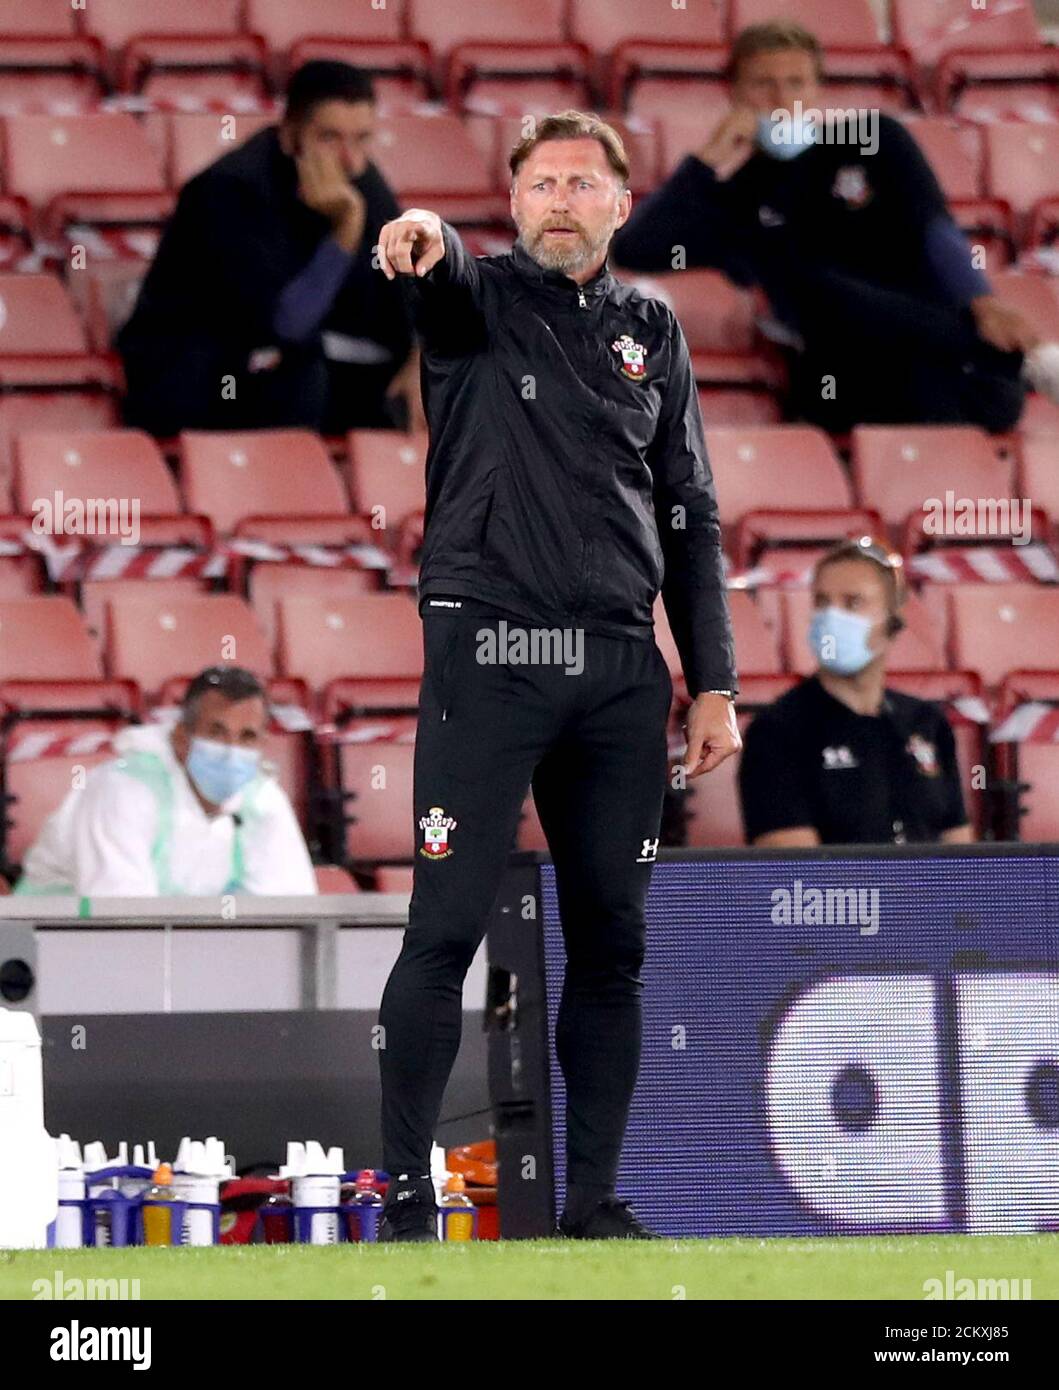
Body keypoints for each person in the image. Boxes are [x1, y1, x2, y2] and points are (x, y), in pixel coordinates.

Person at [372, 111, 741, 1242]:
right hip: (491, 648)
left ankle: (594, 1204)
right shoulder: (476, 301)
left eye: (584, 183)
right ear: (515, 203)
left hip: (622, 668)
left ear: (623, 208)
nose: (561, 201)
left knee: (612, 942)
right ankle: (400, 1199)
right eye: (539, 185)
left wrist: (713, 679)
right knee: (443, 926)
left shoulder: (653, 330)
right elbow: (434, 274)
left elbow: (691, 514)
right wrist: (423, 234)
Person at [612, 21, 1059, 434]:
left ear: (817, 90)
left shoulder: (874, 140)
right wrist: (706, 160)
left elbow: (934, 230)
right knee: (795, 275)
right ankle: (1022, 361)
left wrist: (981, 302)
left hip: (960, 378)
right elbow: (633, 248)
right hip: (849, 386)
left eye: (796, 84)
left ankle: (1007, 360)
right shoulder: (736, 197)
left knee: (806, 275)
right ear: (733, 94)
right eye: (763, 84)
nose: (782, 99)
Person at [117, 61, 418, 436]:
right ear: (291, 132)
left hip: (290, 368)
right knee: (302, 376)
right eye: (330, 138)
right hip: (193, 377)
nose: (350, 159)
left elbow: (410, 288)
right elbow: (287, 324)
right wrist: (345, 232)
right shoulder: (229, 191)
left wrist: (421, 355)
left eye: (361, 139)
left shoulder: (361, 179)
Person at [738, 537, 973, 846]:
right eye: (822, 602)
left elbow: (962, 855)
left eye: (852, 603)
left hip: (932, 895)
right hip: (838, 895)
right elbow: (794, 873)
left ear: (892, 620)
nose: (832, 617)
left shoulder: (927, 722)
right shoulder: (777, 730)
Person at [15, 667, 317, 897]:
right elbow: (121, 924)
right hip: (51, 957)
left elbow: (291, 912)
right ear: (181, 738)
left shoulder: (262, 800)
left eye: (247, 737)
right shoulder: (123, 789)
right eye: (216, 733)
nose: (231, 751)